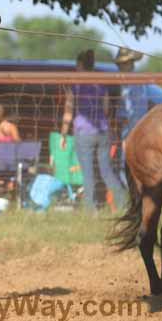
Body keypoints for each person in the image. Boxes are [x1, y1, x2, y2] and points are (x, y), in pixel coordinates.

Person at [60, 49, 126, 212]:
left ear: (79, 65)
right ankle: (123, 203)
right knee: (106, 170)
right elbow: (105, 108)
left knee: (88, 173)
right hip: (102, 131)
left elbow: (68, 111)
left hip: (83, 132)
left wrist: (63, 134)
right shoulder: (99, 82)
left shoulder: (74, 84)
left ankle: (90, 210)